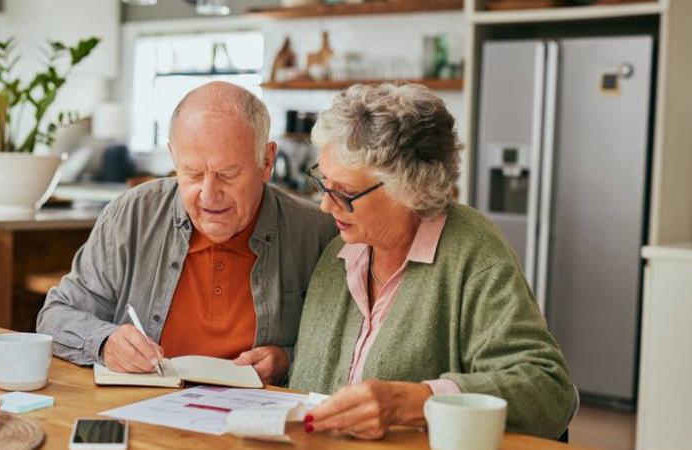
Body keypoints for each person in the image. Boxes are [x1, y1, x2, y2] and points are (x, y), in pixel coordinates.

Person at [289, 83, 576, 439]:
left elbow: (548, 389)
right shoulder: (340, 252)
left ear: (409, 188)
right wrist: (283, 359)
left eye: (345, 193)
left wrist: (417, 401)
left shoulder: (472, 252)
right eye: (324, 183)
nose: (326, 205)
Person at [37, 82, 338, 385]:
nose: (209, 196)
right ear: (173, 157)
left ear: (267, 161)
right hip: (143, 409)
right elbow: (55, 316)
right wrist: (104, 342)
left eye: (228, 174)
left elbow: (348, 353)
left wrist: (288, 359)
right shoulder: (132, 214)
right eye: (192, 173)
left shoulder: (318, 232)